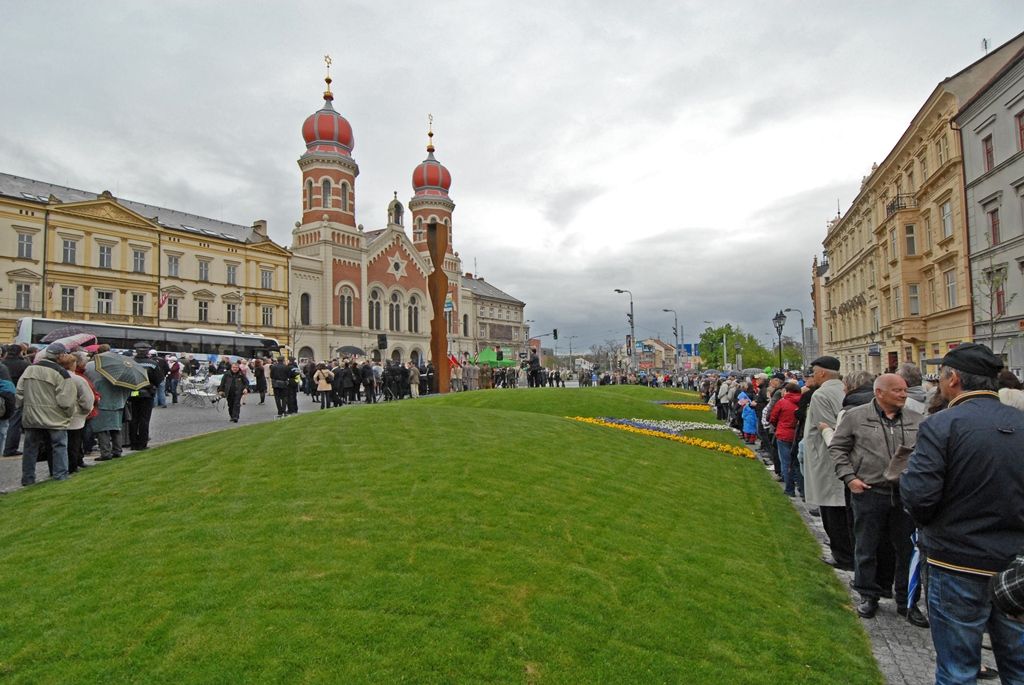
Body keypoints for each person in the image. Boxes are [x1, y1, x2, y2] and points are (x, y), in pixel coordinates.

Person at [902, 343, 1024, 683]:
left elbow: (920, 497)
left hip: (957, 561)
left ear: (953, 379)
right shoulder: (1019, 422)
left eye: (942, 376)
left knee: (957, 669)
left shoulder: (942, 425)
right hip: (1015, 563)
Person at [828, 373, 926, 625]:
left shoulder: (917, 419)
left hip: (905, 494)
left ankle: (907, 601)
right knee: (866, 546)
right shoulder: (856, 417)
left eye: (904, 390)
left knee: (908, 550)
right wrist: (849, 478)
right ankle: (868, 595)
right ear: (879, 393)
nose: (903, 394)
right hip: (870, 491)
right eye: (897, 390)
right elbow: (837, 448)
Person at [803, 356, 854, 571]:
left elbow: (829, 426)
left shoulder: (821, 394)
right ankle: (845, 550)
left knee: (831, 508)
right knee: (841, 508)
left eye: (814, 372)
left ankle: (842, 554)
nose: (812, 376)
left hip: (827, 458)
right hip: (841, 459)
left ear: (822, 373)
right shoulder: (843, 389)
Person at [16, 342, 77, 485]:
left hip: (32, 415)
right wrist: (68, 415)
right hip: (55, 417)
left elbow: (19, 392)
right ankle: (60, 475)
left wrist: (23, 408)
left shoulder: (30, 369)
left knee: (30, 448)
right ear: (60, 355)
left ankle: (28, 478)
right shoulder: (61, 373)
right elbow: (66, 400)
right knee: (59, 446)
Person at [85, 355, 131, 462]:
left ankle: (105, 452)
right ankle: (117, 450)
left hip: (103, 406)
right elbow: (127, 393)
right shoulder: (121, 381)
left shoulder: (99, 381)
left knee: (102, 430)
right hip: (118, 406)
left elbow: (94, 394)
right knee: (116, 429)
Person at [127, 346, 164, 450]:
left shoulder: (130, 362)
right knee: (144, 419)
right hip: (147, 393)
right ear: (147, 353)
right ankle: (142, 443)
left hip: (134, 392)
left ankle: (133, 442)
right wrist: (152, 385)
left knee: (134, 418)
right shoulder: (152, 364)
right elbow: (159, 379)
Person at [66, 351, 97, 474]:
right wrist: (87, 409)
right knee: (75, 441)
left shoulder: (79, 376)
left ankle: (70, 463)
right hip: (77, 415)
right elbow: (87, 399)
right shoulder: (78, 378)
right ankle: (73, 465)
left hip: (65, 414)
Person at [3, 342, 30, 456]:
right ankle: (10, 448)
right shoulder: (24, 365)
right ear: (20, 352)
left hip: (3, 395)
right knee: (14, 423)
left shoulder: (3, 363)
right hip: (17, 396)